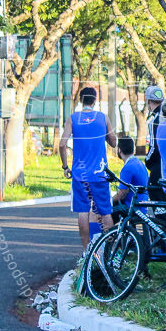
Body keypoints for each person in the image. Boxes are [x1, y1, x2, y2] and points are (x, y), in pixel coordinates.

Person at [59, 86, 117, 248]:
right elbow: (113, 142)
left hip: (79, 174)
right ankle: (110, 250)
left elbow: (62, 145)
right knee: (105, 211)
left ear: (80, 100)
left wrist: (65, 166)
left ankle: (86, 251)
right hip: (99, 173)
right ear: (95, 100)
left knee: (83, 211)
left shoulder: (73, 118)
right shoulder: (103, 118)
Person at [111, 136, 149, 214]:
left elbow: (122, 195)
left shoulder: (127, 168)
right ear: (133, 149)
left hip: (131, 206)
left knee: (104, 212)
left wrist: (109, 201)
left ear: (119, 150)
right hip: (143, 205)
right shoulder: (139, 163)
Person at [143, 85, 166, 201]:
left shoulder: (155, 121)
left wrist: (147, 160)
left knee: (156, 196)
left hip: (159, 166)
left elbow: (154, 147)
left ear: (149, 101)